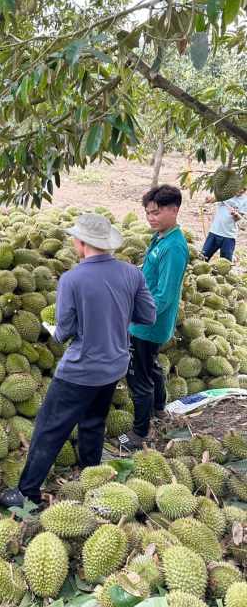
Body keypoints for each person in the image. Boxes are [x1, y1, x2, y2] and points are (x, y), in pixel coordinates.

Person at [0, 214, 156, 509]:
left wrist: (55, 331)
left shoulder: (72, 278)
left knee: (49, 428)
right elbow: (148, 316)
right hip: (114, 365)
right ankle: (90, 478)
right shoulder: (131, 273)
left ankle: (26, 493)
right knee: (94, 421)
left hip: (80, 370)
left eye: (75, 238)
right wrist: (115, 317)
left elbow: (65, 332)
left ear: (82, 243)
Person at [119, 184, 189, 451]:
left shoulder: (173, 247)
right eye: (147, 212)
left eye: (156, 213)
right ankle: (160, 408)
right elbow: (152, 278)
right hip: (149, 322)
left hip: (146, 324)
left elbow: (165, 296)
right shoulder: (161, 236)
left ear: (174, 211)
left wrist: (133, 315)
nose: (150, 218)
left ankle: (139, 434)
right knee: (151, 363)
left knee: (139, 377)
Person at [202, 189, 247, 263]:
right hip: (215, 231)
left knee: (225, 264)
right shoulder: (225, 193)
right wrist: (209, 197)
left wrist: (235, 214)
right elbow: (210, 199)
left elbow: (238, 218)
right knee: (202, 258)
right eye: (241, 187)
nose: (242, 190)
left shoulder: (244, 200)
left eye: (245, 189)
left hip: (229, 236)